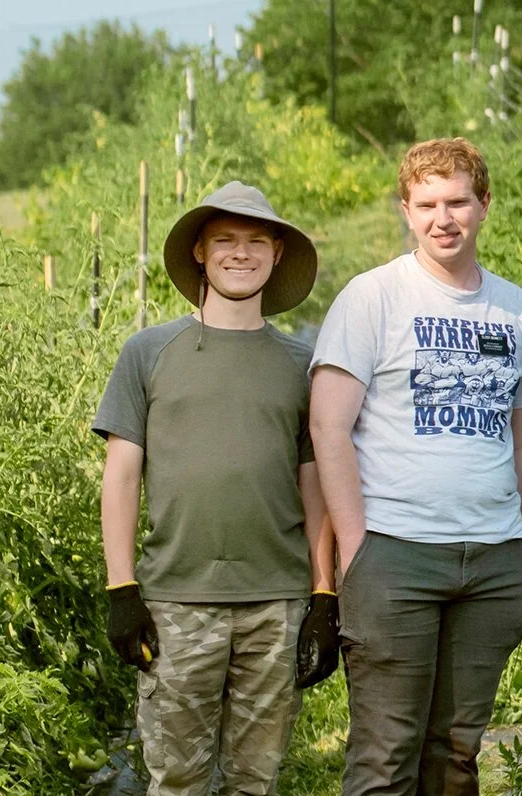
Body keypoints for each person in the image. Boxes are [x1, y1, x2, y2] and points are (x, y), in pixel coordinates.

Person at [311, 138, 522, 796]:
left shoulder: (513, 309)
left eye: (457, 201)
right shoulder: (372, 299)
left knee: (456, 753)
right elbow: (327, 426)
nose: (442, 218)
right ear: (406, 210)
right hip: (395, 553)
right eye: (426, 204)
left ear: (484, 205)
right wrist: (357, 546)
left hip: (492, 556)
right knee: (386, 754)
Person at [94, 181, 330, 796]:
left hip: (276, 603)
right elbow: (120, 476)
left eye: (256, 241)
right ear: (199, 251)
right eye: (224, 239)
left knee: (255, 779)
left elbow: (317, 488)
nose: (240, 253)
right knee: (177, 779)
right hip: (176, 602)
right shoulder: (148, 353)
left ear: (277, 253)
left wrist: (324, 596)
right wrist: (122, 588)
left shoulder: (302, 364)